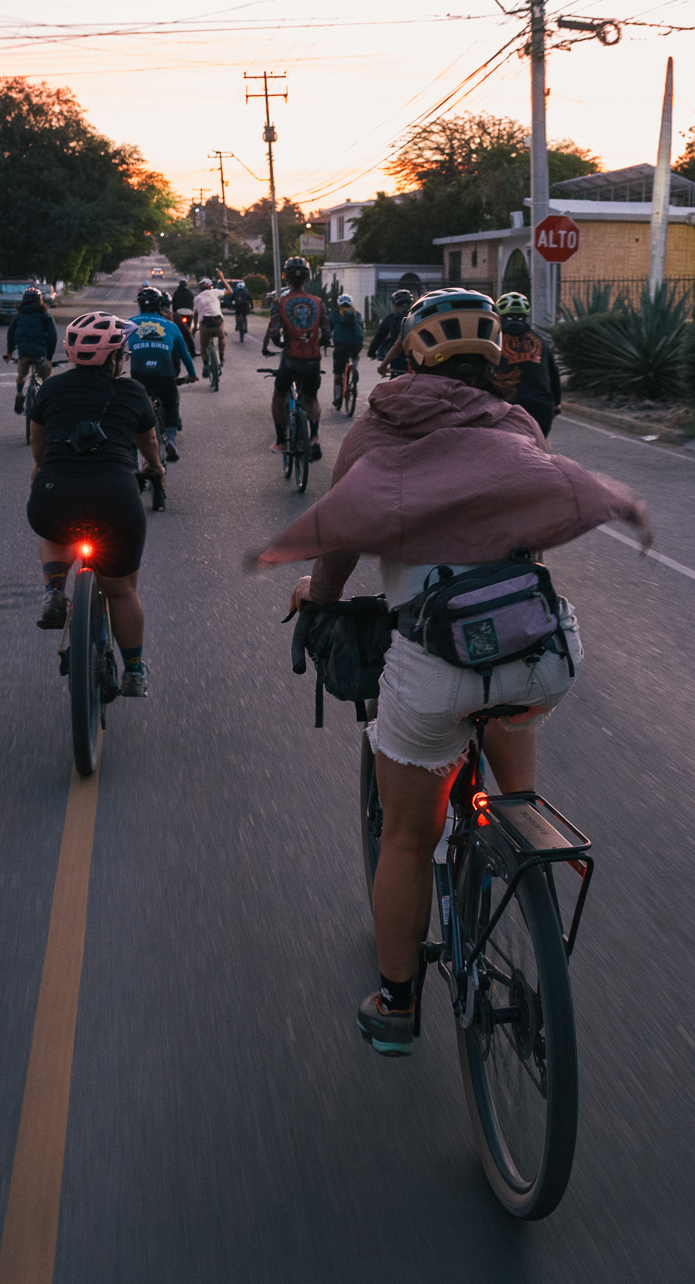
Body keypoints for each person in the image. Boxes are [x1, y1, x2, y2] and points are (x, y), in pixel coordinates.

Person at [251, 288, 650, 1056]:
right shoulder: (521, 423)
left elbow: (341, 538)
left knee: (405, 834)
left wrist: (318, 598)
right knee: (511, 753)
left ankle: (398, 1005)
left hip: (435, 660)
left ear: (407, 352)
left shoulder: (374, 429)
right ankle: (517, 835)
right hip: (539, 649)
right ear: (497, 359)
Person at [26, 311, 168, 697]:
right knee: (121, 591)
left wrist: (41, 468)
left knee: (52, 526)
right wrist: (156, 469)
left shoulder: (51, 390)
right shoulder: (132, 392)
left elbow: (37, 442)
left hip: (55, 492)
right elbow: (150, 444)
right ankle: (134, 671)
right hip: (115, 498)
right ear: (116, 356)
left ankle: (55, 588)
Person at [262, 256, 332, 458]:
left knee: (279, 396)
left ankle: (281, 442)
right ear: (307, 278)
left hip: (291, 359)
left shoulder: (278, 302)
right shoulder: (318, 302)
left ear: (286, 278)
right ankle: (315, 437)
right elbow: (327, 334)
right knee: (311, 398)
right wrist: (314, 343)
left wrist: (286, 344)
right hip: (313, 359)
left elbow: (275, 334)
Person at [129, 286, 199, 461]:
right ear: (160, 305)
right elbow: (184, 355)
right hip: (165, 375)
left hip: (139, 376)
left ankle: (131, 453)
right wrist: (191, 374)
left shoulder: (128, 324)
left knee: (134, 411)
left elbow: (114, 350)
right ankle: (171, 439)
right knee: (170, 405)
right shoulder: (171, 325)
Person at [490, 290, 562, 435]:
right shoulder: (540, 341)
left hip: (507, 405)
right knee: (539, 450)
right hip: (541, 406)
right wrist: (556, 404)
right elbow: (553, 373)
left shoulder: (493, 340)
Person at [3, 289, 57, 414]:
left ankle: (19, 393)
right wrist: (49, 356)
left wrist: (9, 352)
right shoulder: (46, 317)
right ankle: (47, 402)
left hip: (24, 353)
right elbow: (52, 337)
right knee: (46, 378)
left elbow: (10, 334)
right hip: (41, 354)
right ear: (40, 301)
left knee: (21, 376)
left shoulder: (17, 317)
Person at [366, 288, 415, 377]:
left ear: (395, 305)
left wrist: (371, 352)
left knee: (395, 386)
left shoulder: (391, 318)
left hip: (398, 357)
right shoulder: (417, 317)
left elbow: (380, 336)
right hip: (417, 357)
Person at [330, 293, 366, 407]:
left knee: (338, 373)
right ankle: (354, 369)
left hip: (341, 345)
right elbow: (361, 327)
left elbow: (329, 329)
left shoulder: (335, 314)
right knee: (355, 354)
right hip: (356, 344)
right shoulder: (358, 314)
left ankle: (337, 398)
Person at [193, 277, 226, 376]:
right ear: (210, 287)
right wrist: (222, 277)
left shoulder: (197, 298)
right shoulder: (215, 292)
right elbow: (230, 291)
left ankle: (206, 365)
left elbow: (195, 314)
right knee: (221, 337)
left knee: (203, 347)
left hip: (205, 325)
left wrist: (195, 327)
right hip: (217, 323)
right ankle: (221, 356)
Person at [170, 278, 197, 354]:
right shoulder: (189, 292)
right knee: (188, 329)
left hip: (179, 313)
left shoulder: (176, 292)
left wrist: (174, 313)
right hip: (189, 313)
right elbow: (192, 303)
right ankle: (192, 350)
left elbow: (174, 304)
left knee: (177, 329)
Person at [232, 279, 253, 343]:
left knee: (237, 315)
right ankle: (245, 328)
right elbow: (250, 300)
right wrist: (252, 306)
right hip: (245, 307)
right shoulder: (246, 293)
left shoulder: (235, 293)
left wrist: (230, 306)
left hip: (238, 307)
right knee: (244, 317)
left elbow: (231, 300)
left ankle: (237, 325)